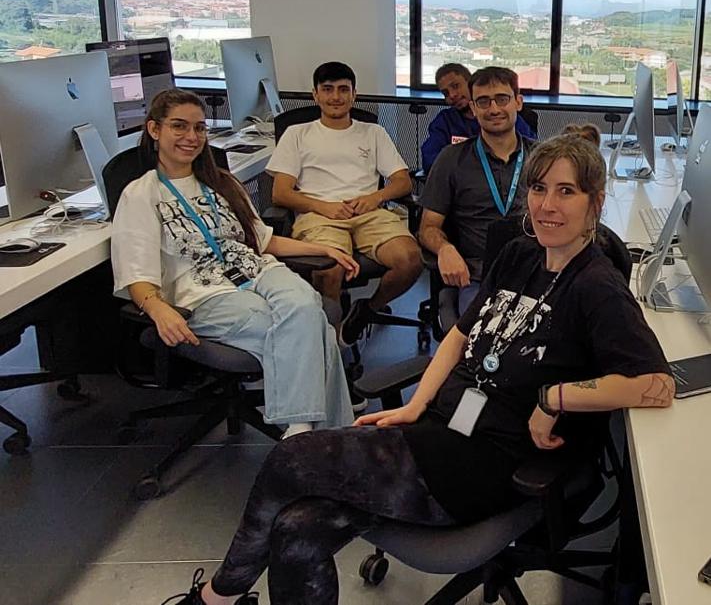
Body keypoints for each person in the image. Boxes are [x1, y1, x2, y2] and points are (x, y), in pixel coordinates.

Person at [162, 130, 674, 605]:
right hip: (440, 428)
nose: (546, 205)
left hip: (487, 459)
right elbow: (457, 335)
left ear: (595, 204)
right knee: (299, 528)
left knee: (291, 458)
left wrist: (554, 399)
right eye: (539, 188)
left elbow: (656, 384)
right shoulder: (521, 253)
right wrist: (416, 406)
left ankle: (218, 597)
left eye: (567, 192)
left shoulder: (597, 287)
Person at [111, 89, 359, 438]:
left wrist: (323, 248)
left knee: (305, 304)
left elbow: (264, 240)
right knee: (311, 327)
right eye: (179, 127)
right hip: (204, 292)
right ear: (154, 130)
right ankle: (321, 435)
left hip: (259, 270)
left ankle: (302, 429)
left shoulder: (223, 183)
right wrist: (155, 307)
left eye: (199, 128)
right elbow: (136, 271)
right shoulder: (141, 194)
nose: (191, 137)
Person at [268, 61, 422, 345]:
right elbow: (281, 193)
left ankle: (367, 310)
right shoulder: (297, 134)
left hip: (369, 213)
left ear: (354, 94)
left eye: (343, 89)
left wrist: (374, 197)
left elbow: (403, 182)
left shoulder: (373, 133)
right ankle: (330, 340)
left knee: (411, 260)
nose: (336, 97)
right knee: (330, 269)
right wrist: (323, 206)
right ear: (315, 95)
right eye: (327, 90)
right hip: (319, 215)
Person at [419, 66, 536, 314]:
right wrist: (444, 248)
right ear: (473, 108)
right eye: (483, 102)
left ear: (518, 102)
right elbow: (427, 228)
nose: (493, 109)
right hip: (479, 278)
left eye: (502, 99)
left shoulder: (542, 159)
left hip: (536, 271)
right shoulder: (451, 159)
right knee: (483, 343)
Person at [421, 62, 537, 174]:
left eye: (456, 86)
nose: (452, 95)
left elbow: (531, 155)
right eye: (446, 93)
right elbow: (430, 161)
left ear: (471, 84)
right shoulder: (445, 121)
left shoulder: (504, 118)